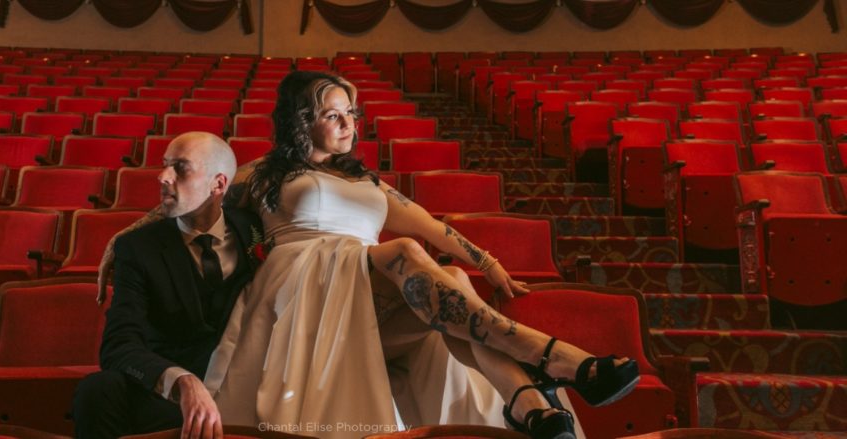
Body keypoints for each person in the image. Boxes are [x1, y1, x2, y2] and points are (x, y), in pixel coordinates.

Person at [99, 72, 639, 439]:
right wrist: (122, 238)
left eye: (352, 114)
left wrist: (486, 262)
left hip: (373, 292)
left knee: (445, 269)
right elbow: (198, 195)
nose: (349, 124)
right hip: (304, 293)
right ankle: (556, 365)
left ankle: (526, 404)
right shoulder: (266, 173)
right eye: (334, 115)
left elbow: (436, 227)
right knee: (402, 250)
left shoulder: (368, 182)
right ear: (302, 120)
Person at [73, 132, 263, 439]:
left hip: (246, 383)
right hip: (170, 396)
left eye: (180, 167)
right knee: (97, 390)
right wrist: (181, 382)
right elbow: (118, 345)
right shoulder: (137, 248)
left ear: (218, 184)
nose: (162, 176)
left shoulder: (256, 230)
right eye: (164, 165)